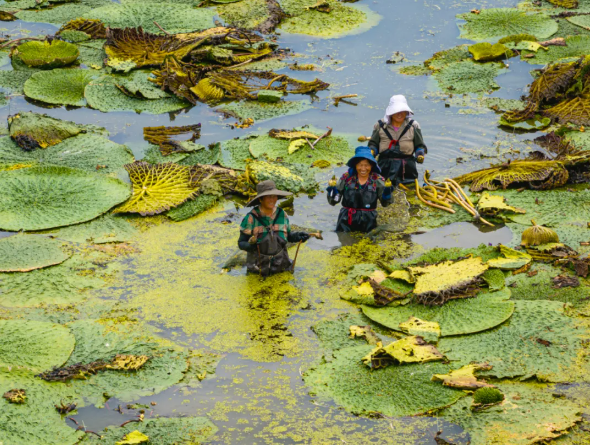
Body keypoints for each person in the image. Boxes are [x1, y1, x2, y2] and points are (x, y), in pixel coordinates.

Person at [238, 180, 310, 276]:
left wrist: (297, 236)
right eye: (268, 197)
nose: (272, 200)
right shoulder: (251, 218)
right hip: (258, 268)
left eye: (274, 196)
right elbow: (241, 242)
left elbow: (287, 236)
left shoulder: (282, 214)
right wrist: (251, 246)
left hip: (281, 265)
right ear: (260, 199)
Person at [326, 146, 394, 233]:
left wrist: (387, 192)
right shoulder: (346, 178)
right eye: (360, 165)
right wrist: (332, 189)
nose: (363, 169)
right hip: (346, 220)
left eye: (366, 165)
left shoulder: (377, 180)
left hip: (369, 221)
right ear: (355, 165)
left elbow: (385, 203)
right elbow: (334, 200)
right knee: (344, 243)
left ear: (371, 165)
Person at [368, 95, 428, 187]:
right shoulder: (380, 125)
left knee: (409, 191)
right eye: (396, 111)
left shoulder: (413, 125)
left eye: (402, 111)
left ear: (406, 111)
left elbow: (419, 145)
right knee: (383, 191)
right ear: (390, 112)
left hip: (407, 169)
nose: (399, 114)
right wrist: (371, 152)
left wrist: (420, 154)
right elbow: (373, 144)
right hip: (385, 167)